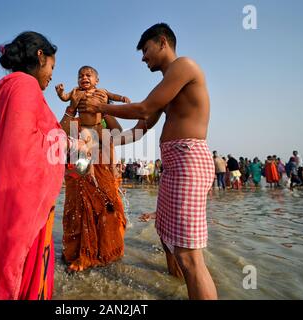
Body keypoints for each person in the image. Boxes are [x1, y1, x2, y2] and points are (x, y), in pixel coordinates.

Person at [79, 23, 217, 299]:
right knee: (167, 239)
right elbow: (140, 128)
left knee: (189, 255)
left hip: (190, 161)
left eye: (145, 49)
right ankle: (177, 288)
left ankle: (191, 283)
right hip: (174, 165)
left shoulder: (184, 66)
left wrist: (100, 107)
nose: (143, 57)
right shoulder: (167, 85)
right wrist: (99, 142)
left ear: (162, 41)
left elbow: (143, 107)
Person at [0, 31, 84, 300]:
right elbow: (23, 151)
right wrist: (71, 145)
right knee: (19, 277)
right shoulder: (25, 87)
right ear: (40, 56)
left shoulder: (12, 88)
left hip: (7, 202)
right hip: (19, 207)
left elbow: (31, 139)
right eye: (52, 66)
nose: (51, 75)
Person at [59, 74, 127, 273]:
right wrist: (71, 106)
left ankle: (108, 251)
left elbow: (118, 131)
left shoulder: (103, 120)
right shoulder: (76, 120)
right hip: (78, 172)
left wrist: (104, 109)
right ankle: (79, 253)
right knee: (77, 211)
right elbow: (62, 134)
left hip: (102, 171)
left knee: (106, 208)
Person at [56, 66, 130, 187]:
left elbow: (113, 96)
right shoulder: (76, 93)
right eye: (80, 76)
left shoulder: (102, 93)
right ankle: (92, 174)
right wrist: (61, 94)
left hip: (98, 126)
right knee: (88, 150)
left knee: (109, 143)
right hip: (85, 128)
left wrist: (121, 98)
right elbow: (65, 97)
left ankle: (113, 168)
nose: (84, 77)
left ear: (97, 81)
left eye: (88, 75)